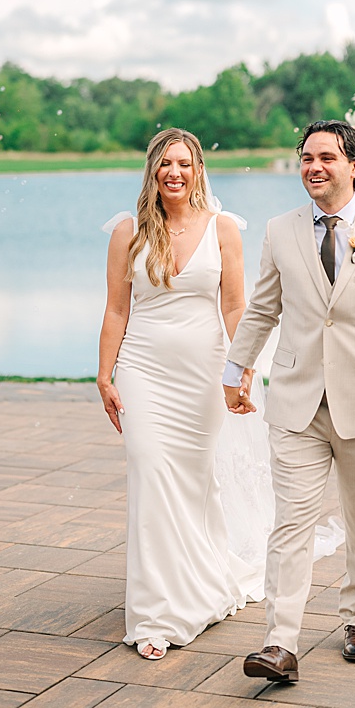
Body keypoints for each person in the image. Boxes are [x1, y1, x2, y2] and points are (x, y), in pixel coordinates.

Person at [226, 120, 355, 683]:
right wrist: (236, 367)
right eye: (306, 158)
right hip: (295, 402)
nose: (313, 167)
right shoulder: (278, 230)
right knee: (291, 522)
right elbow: (264, 308)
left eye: (327, 158)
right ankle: (279, 643)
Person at [97, 128, 263, 660]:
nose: (175, 173)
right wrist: (104, 375)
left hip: (203, 374)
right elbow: (117, 309)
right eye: (166, 164)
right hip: (142, 369)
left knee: (192, 481)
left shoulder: (223, 229)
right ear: (152, 169)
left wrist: (243, 368)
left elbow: (235, 307)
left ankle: (203, 579)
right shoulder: (127, 231)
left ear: (197, 171)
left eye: (184, 164)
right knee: (149, 471)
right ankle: (154, 614)